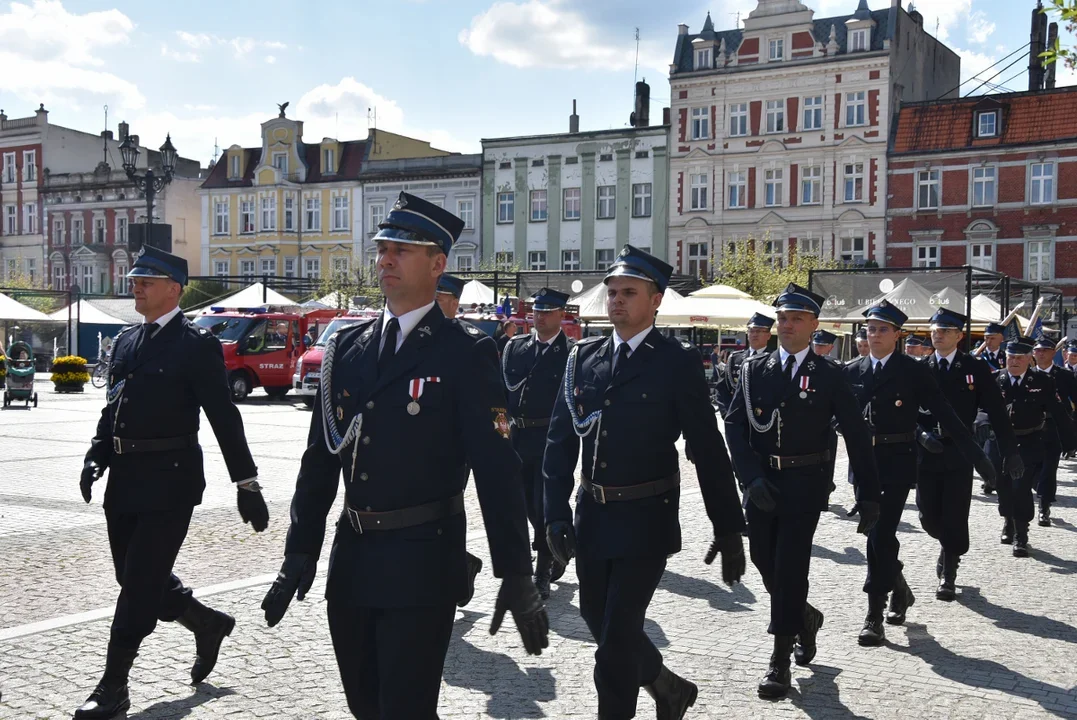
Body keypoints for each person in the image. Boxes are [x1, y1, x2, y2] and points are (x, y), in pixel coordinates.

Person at [261, 192, 548, 719]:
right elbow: (321, 457)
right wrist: (300, 548)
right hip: (353, 561)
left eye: (402, 249)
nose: (385, 260)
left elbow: (496, 470)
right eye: (382, 248)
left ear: (438, 264)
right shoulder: (347, 348)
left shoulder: (466, 351)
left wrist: (516, 570)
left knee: (406, 710)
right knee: (365, 706)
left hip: (423, 560)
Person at [543, 245, 746, 719]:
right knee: (598, 616)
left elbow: (708, 447)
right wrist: (552, 513)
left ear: (656, 300)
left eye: (629, 292)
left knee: (615, 642)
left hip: (645, 520)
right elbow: (558, 444)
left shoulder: (675, 362)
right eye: (612, 291)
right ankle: (666, 686)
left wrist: (729, 525)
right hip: (592, 515)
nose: (616, 300)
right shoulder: (584, 358)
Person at [76, 245, 269, 720]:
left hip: (171, 482)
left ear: (173, 289)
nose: (135, 285)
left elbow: (224, 417)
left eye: (146, 280)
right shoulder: (125, 341)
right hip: (123, 481)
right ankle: (205, 622)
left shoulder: (196, 344)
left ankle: (113, 687)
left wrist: (247, 484)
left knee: (139, 583)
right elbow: (113, 405)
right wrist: (96, 453)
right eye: (135, 279)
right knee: (133, 575)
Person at [726, 283, 879, 699]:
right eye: (782, 318)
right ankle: (804, 616)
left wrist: (868, 493)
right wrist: (749, 477)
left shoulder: (830, 375)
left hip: (805, 485)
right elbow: (735, 425)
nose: (787, 325)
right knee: (761, 557)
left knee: (791, 566)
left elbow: (856, 433)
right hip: (761, 482)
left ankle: (778, 660)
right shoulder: (753, 370)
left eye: (796, 319)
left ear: (814, 325)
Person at [844, 300, 995, 647]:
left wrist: (982, 462)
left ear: (897, 335)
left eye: (883, 329)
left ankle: (874, 613)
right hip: (865, 464)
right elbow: (833, 418)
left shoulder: (912, 371)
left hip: (898, 463)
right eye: (871, 328)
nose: (876, 334)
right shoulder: (851, 371)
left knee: (879, 536)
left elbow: (946, 414)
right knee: (876, 535)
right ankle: (898, 586)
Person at [915, 308, 1022, 602]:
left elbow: (998, 413)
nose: (938, 335)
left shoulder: (974, 368)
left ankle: (949, 568)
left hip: (961, 452)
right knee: (927, 516)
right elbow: (904, 411)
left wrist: (1010, 451)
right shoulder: (920, 368)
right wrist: (920, 435)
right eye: (935, 330)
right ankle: (946, 543)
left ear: (959, 336)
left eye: (945, 331)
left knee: (955, 512)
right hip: (926, 452)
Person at [501, 287, 573, 599]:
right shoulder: (514, 348)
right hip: (518, 436)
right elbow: (501, 398)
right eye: (536, 311)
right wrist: (500, 435)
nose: (539, 317)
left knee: (545, 502)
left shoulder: (570, 353)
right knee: (524, 502)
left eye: (546, 312)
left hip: (551, 438)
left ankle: (543, 566)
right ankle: (557, 544)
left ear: (561, 315)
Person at [997, 336, 1076, 556]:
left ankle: (1021, 534)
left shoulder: (1042, 381)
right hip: (1000, 442)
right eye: (1010, 357)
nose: (1013, 361)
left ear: (1029, 359)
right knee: (1002, 486)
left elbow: (1059, 411)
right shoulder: (996, 379)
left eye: (1019, 357)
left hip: (1029, 440)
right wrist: (981, 424)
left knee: (1021, 487)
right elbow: (982, 410)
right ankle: (1008, 522)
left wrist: (1070, 441)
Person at [435, 272, 485, 603]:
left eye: (438, 300)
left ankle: (455, 573)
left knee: (442, 516)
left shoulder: (473, 344)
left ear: (454, 303)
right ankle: (462, 564)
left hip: (455, 452)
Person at [1031, 337, 1077, 528]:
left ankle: (1044, 506)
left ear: (1053, 353)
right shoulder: (1027, 374)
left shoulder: (1064, 375)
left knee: (1049, 468)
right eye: (1038, 350)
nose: (1041, 353)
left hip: (1054, 428)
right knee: (1033, 469)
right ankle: (1040, 491)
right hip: (1030, 429)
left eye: (1045, 350)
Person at [715, 312, 773, 418]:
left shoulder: (774, 359)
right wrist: (727, 414)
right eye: (751, 331)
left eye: (759, 331)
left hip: (764, 419)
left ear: (768, 335)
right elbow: (722, 388)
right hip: (737, 419)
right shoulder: (735, 358)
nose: (754, 334)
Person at [975, 322, 1007, 495]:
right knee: (981, 442)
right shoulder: (976, 357)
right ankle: (988, 475)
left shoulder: (1007, 357)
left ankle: (992, 477)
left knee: (995, 444)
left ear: (1001, 339)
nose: (988, 341)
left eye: (992, 338)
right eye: (986, 338)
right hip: (980, 406)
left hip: (1001, 404)